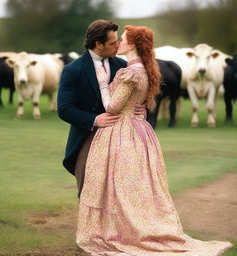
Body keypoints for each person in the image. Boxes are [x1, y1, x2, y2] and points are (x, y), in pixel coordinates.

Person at [76, 25, 232, 255]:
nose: (118, 43)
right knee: (134, 185)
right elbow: (138, 104)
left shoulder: (129, 72)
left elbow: (112, 106)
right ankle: (126, 227)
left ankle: (121, 232)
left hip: (122, 131)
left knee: (119, 185)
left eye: (122, 40)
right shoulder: (144, 70)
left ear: (133, 45)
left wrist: (103, 86)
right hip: (139, 130)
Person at [57, 20, 145, 197]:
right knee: (89, 190)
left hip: (121, 138)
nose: (118, 45)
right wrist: (95, 120)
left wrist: (141, 108)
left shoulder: (122, 65)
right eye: (113, 43)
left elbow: (135, 95)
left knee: (120, 192)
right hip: (86, 136)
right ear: (98, 44)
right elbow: (64, 108)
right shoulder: (73, 70)